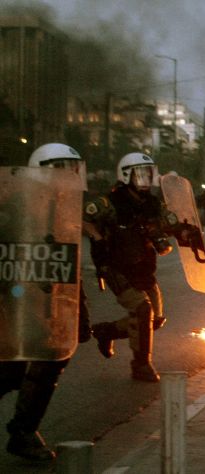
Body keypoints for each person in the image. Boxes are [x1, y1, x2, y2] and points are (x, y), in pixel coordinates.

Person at [0, 143, 92, 461]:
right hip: (14, 299)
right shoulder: (13, 202)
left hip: (47, 302)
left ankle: (23, 432)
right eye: (61, 168)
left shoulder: (66, 208)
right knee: (9, 371)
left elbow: (68, 264)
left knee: (50, 361)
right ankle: (23, 433)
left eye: (72, 168)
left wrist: (79, 313)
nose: (69, 175)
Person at [84, 152, 188, 383]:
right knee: (142, 311)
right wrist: (97, 238)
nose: (145, 179)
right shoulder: (109, 203)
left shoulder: (152, 204)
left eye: (148, 174)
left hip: (143, 267)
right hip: (115, 267)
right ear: (125, 175)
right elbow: (82, 218)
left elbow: (170, 222)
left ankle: (106, 331)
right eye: (140, 174)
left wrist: (184, 231)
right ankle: (140, 365)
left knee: (155, 320)